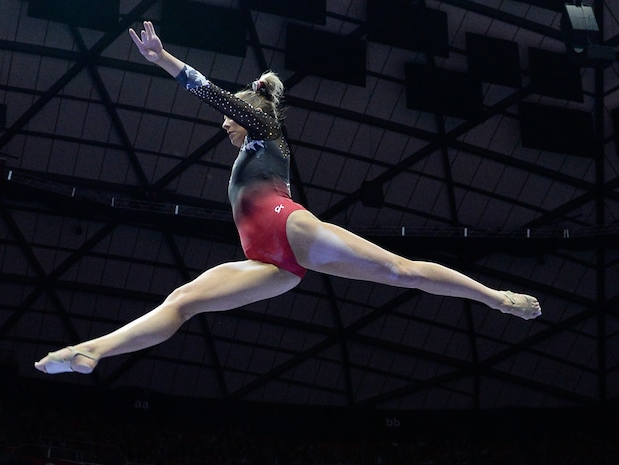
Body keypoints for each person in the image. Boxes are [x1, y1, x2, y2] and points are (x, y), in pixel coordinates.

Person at [34, 21, 541, 377]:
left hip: (291, 227)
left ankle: (497, 299)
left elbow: (215, 96)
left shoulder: (268, 130)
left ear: (249, 111)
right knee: (184, 302)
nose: (223, 124)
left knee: (400, 271)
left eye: (231, 117)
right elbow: (222, 107)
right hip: (271, 264)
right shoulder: (251, 147)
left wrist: (162, 58)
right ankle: (92, 351)